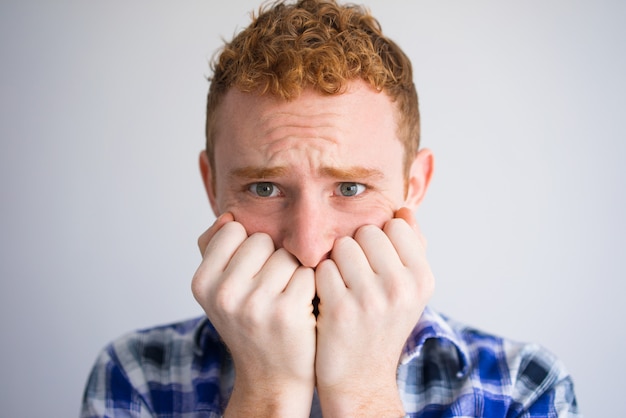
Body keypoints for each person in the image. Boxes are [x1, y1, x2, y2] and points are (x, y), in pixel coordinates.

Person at [81, 0, 580, 416]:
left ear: (414, 186)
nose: (308, 245)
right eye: (263, 188)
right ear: (212, 185)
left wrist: (361, 391)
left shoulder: (524, 388)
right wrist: (268, 393)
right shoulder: (136, 374)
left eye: (350, 188)